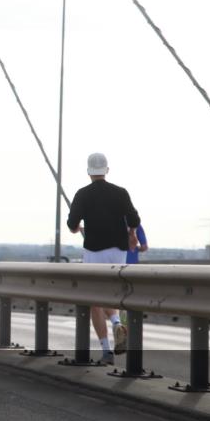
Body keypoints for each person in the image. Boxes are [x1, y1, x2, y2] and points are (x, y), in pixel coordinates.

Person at [66, 153, 141, 365]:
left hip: (93, 250)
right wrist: (132, 233)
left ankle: (107, 350)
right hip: (118, 250)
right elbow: (134, 218)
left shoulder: (82, 194)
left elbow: (72, 224)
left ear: (88, 171)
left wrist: (76, 228)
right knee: (115, 294)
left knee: (94, 301)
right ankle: (117, 322)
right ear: (107, 170)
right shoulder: (120, 192)